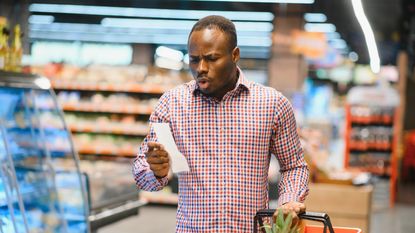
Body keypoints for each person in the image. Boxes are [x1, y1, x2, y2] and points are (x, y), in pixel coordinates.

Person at [132, 15, 309, 232]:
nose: (201, 68)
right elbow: (143, 176)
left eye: (212, 58)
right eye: (194, 59)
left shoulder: (272, 104)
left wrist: (289, 201)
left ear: (235, 55)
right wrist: (156, 171)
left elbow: (294, 165)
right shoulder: (172, 104)